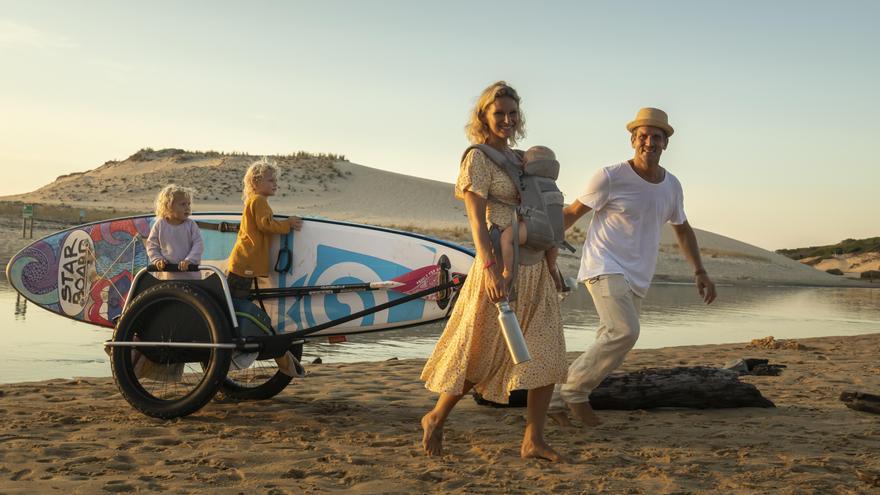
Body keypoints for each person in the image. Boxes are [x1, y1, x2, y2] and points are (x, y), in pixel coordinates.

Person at [419, 81, 568, 462]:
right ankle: (436, 416)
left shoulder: (522, 159)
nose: (506, 119)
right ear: (483, 116)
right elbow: (475, 220)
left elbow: (545, 209)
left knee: (548, 351)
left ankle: (533, 439)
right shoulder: (478, 159)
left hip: (534, 265)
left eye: (512, 113)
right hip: (500, 265)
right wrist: (488, 267)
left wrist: (553, 264)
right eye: (498, 113)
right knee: (482, 351)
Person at [548, 107, 717, 427]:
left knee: (613, 336)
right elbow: (571, 213)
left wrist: (700, 271)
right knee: (625, 331)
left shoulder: (672, 185)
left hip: (638, 273)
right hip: (603, 263)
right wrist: (543, 247)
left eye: (656, 137)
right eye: (643, 136)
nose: (649, 142)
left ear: (666, 143)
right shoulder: (610, 176)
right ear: (632, 140)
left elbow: (682, 229)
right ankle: (575, 392)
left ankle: (555, 400)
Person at [226, 159, 303, 300]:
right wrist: (288, 223)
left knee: (232, 299)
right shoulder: (259, 200)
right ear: (255, 182)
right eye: (271, 180)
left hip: (243, 260)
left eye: (275, 180)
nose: (275, 184)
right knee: (236, 301)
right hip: (246, 261)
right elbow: (266, 225)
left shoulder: (254, 200)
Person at [498, 145, 564, 292]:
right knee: (555, 245)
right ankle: (553, 268)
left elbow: (518, 196)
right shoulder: (553, 185)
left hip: (532, 229)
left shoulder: (527, 181)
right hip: (554, 233)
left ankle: (508, 271)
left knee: (507, 238)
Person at [146, 184, 204, 280]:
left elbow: (198, 245)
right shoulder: (160, 225)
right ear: (168, 206)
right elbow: (151, 245)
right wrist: (158, 260)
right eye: (183, 204)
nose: (187, 208)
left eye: (188, 204)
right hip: (166, 276)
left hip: (190, 275)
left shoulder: (191, 225)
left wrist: (189, 260)